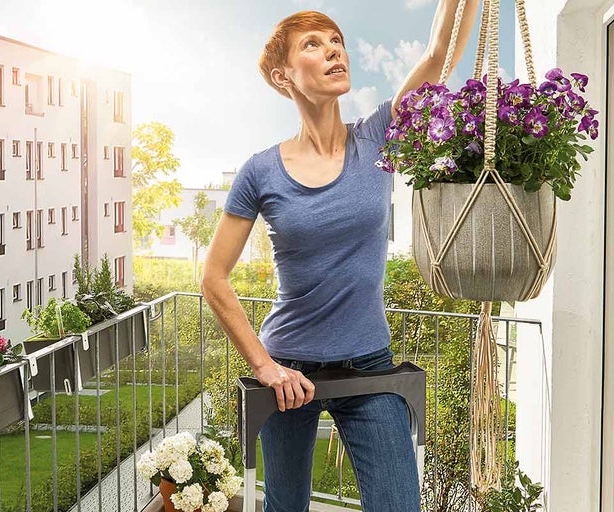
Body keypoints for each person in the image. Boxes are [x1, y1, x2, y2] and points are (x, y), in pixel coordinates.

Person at [201, 3, 478, 511]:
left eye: (336, 40)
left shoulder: (379, 134)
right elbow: (214, 277)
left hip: (370, 365)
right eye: (313, 43)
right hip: (289, 369)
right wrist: (264, 367)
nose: (333, 49)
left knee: (398, 504)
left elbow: (441, 51)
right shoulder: (259, 172)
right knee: (286, 506)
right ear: (282, 76)